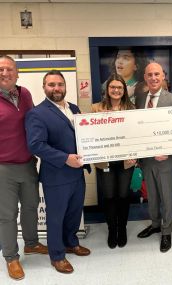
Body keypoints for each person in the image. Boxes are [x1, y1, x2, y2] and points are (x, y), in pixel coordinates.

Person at [25, 70, 91, 274]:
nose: (56, 88)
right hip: (57, 175)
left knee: (73, 212)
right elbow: (36, 145)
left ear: (65, 86)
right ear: (44, 87)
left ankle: (71, 242)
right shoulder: (36, 113)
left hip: (77, 173)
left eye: (60, 84)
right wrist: (64, 158)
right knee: (56, 217)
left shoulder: (73, 108)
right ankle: (57, 255)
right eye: (51, 84)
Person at [0, 55, 48, 281]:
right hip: (4, 168)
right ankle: (11, 257)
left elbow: (35, 122)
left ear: (17, 73)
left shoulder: (25, 94)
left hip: (28, 163)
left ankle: (31, 243)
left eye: (9, 69)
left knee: (30, 206)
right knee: (8, 215)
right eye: (1, 69)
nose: (5, 73)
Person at [135, 62, 172, 253]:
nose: (153, 78)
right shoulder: (139, 99)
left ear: (163, 77)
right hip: (147, 159)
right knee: (151, 195)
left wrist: (169, 151)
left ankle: (166, 231)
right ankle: (155, 224)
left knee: (167, 197)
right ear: (145, 77)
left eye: (157, 74)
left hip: (165, 160)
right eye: (150, 75)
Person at [92, 73, 136, 249]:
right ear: (107, 89)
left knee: (123, 196)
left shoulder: (132, 109)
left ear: (124, 90)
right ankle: (112, 229)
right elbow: (91, 134)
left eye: (119, 87)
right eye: (113, 87)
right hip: (105, 162)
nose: (116, 90)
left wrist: (136, 154)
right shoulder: (96, 108)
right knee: (109, 196)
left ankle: (122, 228)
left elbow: (136, 134)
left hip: (126, 160)